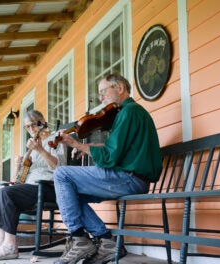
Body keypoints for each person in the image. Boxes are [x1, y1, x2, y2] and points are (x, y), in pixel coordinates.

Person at [52, 73, 162, 264]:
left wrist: (77, 145)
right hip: (130, 177)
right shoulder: (130, 112)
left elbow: (110, 157)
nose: (101, 98)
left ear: (119, 88)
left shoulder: (129, 112)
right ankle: (106, 240)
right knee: (70, 193)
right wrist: (87, 149)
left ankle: (79, 238)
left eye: (103, 92)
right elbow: (116, 150)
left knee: (62, 174)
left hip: (129, 178)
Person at [0, 110, 67, 261]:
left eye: (34, 124)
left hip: (48, 186)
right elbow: (18, 179)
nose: (31, 129)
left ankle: (10, 246)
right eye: (27, 127)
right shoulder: (31, 147)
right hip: (29, 187)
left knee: (6, 193)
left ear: (42, 121)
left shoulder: (55, 139)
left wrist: (40, 150)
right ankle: (1, 240)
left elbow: (59, 167)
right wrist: (18, 166)